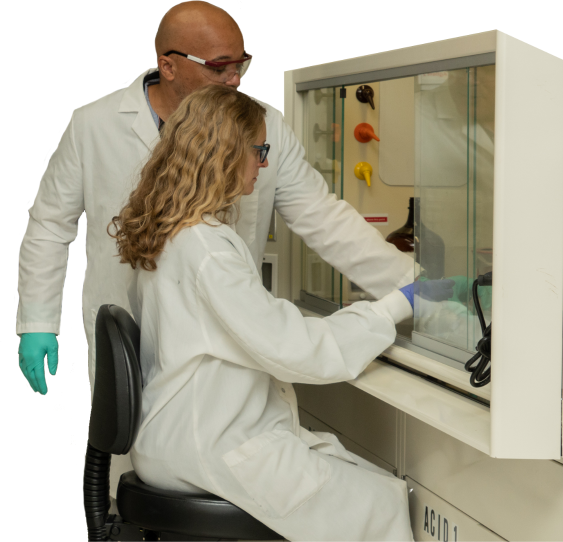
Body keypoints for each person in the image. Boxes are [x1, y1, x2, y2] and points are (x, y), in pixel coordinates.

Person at [16, 0, 421, 510]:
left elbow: (323, 216)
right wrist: (37, 321)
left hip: (216, 346)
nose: (234, 78)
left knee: (187, 467)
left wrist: (412, 284)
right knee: (131, 478)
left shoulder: (263, 126)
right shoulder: (94, 124)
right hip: (132, 325)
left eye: (241, 63)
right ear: (168, 64)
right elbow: (50, 224)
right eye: (219, 66)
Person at [109, 82, 419, 542]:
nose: (265, 163)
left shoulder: (176, 232)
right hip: (208, 447)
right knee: (380, 504)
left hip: (186, 436)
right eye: (259, 150)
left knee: (354, 471)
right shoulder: (206, 249)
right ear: (225, 154)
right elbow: (291, 348)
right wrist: (398, 304)